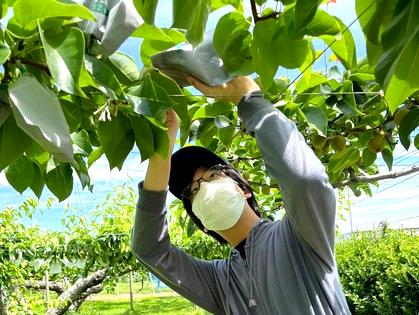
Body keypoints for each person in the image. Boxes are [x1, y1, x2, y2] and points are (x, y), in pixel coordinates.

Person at [131, 76, 351, 314]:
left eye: (213, 176)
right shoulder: (219, 282)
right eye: (193, 191)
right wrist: (160, 153)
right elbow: (150, 250)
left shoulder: (298, 237)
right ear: (202, 222)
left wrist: (249, 100)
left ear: (243, 188)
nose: (204, 189)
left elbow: (305, 181)